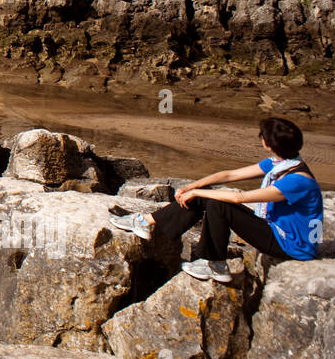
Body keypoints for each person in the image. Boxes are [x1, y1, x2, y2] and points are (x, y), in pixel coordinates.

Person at [109, 117, 323, 283]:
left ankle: (216, 265)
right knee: (207, 195)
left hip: (290, 245)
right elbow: (229, 175)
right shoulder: (283, 164)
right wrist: (194, 186)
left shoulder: (297, 181)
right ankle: (146, 222)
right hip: (277, 232)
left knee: (219, 204)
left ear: (268, 144)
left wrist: (198, 193)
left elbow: (239, 198)